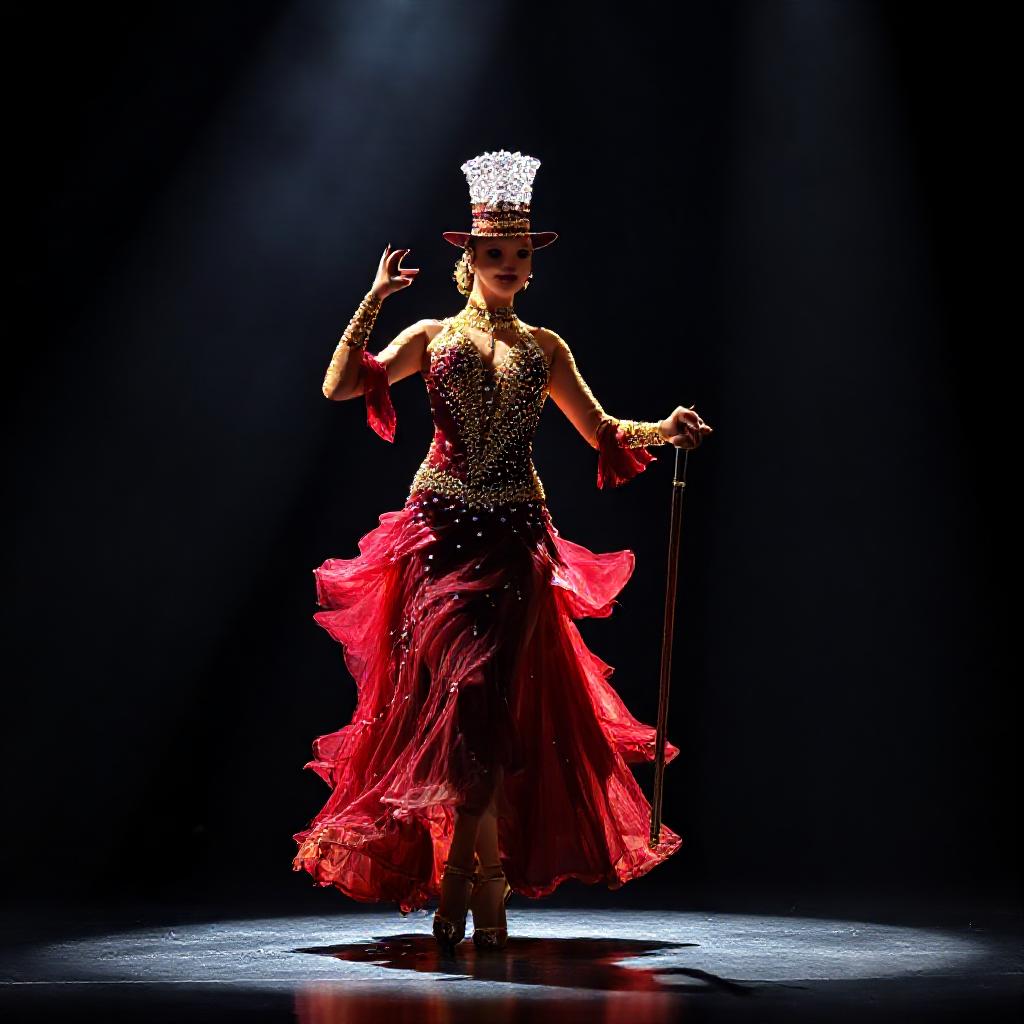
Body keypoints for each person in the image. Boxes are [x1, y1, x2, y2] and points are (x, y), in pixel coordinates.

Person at [291, 150, 713, 953]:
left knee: (486, 709)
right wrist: (374, 299)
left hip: (517, 541)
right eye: (496, 252)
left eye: (520, 253)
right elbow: (340, 385)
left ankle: (469, 882)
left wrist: (665, 429)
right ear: (471, 259)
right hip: (439, 538)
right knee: (458, 707)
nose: (510, 264)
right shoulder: (431, 337)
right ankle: (482, 885)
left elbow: (601, 430)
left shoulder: (546, 349)